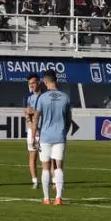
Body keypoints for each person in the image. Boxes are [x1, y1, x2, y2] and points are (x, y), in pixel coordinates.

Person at [33, 69, 71, 206]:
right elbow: (68, 120)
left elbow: (36, 117)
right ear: (56, 80)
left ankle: (46, 198)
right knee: (58, 167)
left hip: (45, 136)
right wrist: (63, 132)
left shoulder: (42, 98)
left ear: (45, 81)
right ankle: (59, 197)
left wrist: (33, 135)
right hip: (59, 136)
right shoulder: (65, 97)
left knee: (45, 167)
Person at [23, 74, 41, 189]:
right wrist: (32, 128)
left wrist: (33, 112)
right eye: (30, 84)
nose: (32, 86)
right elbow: (26, 115)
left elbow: (39, 112)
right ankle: (35, 181)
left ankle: (54, 182)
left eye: (33, 83)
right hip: (32, 131)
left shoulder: (44, 96)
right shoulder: (28, 98)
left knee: (48, 158)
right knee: (32, 156)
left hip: (44, 129)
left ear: (39, 82)